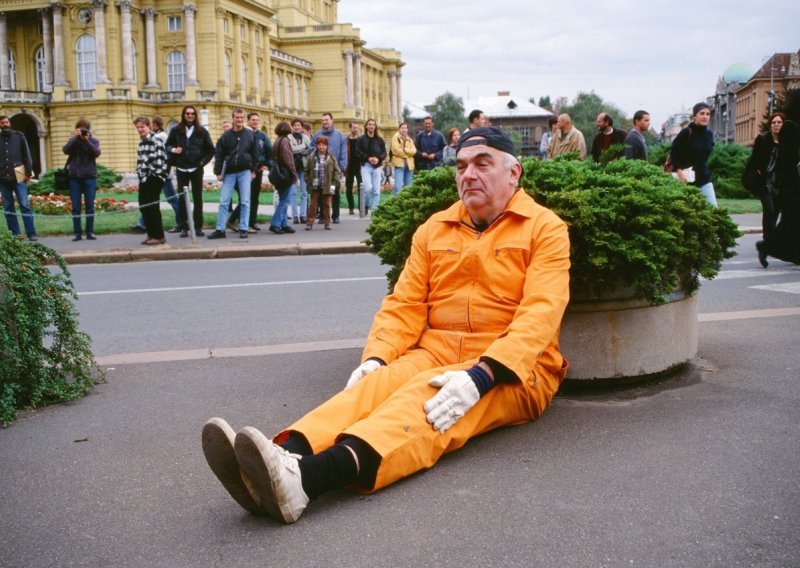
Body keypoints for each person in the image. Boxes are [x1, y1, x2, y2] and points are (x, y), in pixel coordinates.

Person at [201, 126, 571, 524]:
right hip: (436, 350)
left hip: (514, 370)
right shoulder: (435, 229)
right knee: (372, 387)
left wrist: (481, 376)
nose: (469, 175)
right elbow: (405, 305)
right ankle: (282, 455)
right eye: (462, 166)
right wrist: (376, 358)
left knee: (421, 401)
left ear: (514, 173)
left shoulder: (544, 228)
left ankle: (303, 482)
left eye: (483, 165)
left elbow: (540, 314)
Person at [756, 91, 800, 267]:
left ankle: (794, 254)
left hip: (793, 184)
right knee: (790, 222)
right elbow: (790, 159)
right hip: (792, 186)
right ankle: (765, 246)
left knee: (793, 223)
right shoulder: (790, 127)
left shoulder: (791, 126)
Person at [208, 109, 258, 240]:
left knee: (245, 201)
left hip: (244, 171)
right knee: (224, 201)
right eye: (237, 117)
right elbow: (219, 154)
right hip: (229, 172)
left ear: (244, 119)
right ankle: (220, 229)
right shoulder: (226, 136)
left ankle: (243, 228)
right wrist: (218, 171)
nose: (240, 120)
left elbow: (255, 154)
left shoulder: (250, 134)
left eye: (242, 117)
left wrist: (253, 170)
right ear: (233, 118)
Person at [166, 105, 215, 238]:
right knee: (182, 198)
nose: (190, 116)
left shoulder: (202, 131)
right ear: (183, 115)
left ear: (195, 116)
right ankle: (183, 226)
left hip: (196, 169)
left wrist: (202, 163)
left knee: (198, 198)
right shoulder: (176, 130)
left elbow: (211, 150)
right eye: (187, 113)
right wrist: (173, 150)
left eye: (192, 114)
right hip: (181, 168)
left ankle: (198, 226)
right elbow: (168, 145)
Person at [228, 112, 272, 233]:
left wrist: (267, 165)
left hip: (258, 169)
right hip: (246, 170)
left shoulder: (262, 135)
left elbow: (269, 150)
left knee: (254, 197)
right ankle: (234, 220)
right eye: (253, 120)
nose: (255, 122)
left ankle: (251, 222)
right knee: (246, 198)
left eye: (257, 120)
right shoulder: (244, 134)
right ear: (248, 121)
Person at [743, 112, 783, 241]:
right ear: (770, 125)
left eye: (779, 122)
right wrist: (757, 173)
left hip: (780, 184)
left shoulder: (787, 142)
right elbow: (754, 161)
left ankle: (769, 240)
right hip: (765, 183)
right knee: (769, 210)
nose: (776, 125)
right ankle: (767, 241)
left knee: (775, 213)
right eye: (773, 122)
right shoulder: (763, 140)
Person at [670, 102, 717, 207]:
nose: (705, 117)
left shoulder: (709, 135)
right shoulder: (686, 132)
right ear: (695, 116)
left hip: (704, 178)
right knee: (686, 213)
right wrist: (679, 171)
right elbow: (674, 153)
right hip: (685, 179)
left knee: (714, 210)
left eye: (708, 114)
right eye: (702, 113)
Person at [62, 118, 101, 241]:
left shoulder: (94, 141)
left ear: (88, 130)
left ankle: (90, 232)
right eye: (80, 129)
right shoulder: (73, 141)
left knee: (90, 206)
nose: (82, 132)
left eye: (84, 129)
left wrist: (87, 140)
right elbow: (65, 150)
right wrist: (75, 138)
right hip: (74, 178)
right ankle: (77, 233)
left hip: (89, 176)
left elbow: (96, 153)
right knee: (76, 207)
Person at [0, 114, 37, 241]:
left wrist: (28, 172)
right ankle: (15, 235)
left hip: (19, 175)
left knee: (25, 205)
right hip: (3, 178)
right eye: (2, 123)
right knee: (8, 207)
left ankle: (31, 233)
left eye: (6, 122)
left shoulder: (19, 136)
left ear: (9, 123)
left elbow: (27, 155)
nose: (5, 124)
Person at [133, 116, 169, 245]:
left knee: (153, 206)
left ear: (148, 127)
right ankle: (150, 233)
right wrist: (140, 173)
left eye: (142, 127)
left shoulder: (156, 140)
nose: (140, 129)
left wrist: (149, 174)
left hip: (154, 177)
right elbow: (139, 160)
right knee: (143, 205)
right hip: (144, 177)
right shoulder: (141, 142)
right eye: (138, 127)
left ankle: (159, 236)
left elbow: (159, 160)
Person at [312, 113, 347, 223]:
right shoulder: (317, 135)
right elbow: (311, 149)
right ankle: (323, 216)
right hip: (321, 170)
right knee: (323, 193)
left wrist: (341, 168)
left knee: (334, 192)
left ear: (332, 120)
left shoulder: (340, 135)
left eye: (327, 120)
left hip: (334, 172)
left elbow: (344, 153)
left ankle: (335, 216)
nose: (324, 122)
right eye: (323, 120)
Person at [303, 136, 341, 231]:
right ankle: (309, 222)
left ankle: (327, 222)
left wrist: (334, 182)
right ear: (316, 146)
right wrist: (308, 180)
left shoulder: (331, 157)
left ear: (327, 146)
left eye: (323, 145)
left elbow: (337, 171)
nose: (321, 147)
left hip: (328, 185)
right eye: (319, 145)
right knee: (313, 205)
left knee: (327, 205)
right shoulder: (312, 157)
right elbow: (306, 171)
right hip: (315, 185)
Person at [268, 121, 298, 235]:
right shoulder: (285, 141)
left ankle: (285, 224)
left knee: (283, 199)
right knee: (284, 201)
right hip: (285, 174)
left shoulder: (277, 141)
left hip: (278, 173)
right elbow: (288, 160)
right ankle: (275, 224)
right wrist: (293, 174)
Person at [356, 119, 387, 214]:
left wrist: (378, 159)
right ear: (366, 126)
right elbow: (357, 152)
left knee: (377, 191)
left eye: (373, 124)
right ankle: (365, 205)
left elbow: (384, 153)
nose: (371, 126)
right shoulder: (361, 139)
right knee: (368, 188)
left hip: (377, 167)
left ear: (375, 127)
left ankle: (374, 211)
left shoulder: (380, 140)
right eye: (369, 124)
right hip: (366, 166)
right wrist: (368, 158)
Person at [289, 118, 312, 224]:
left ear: (301, 126)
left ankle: (303, 215)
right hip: (293, 167)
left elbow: (310, 150)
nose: (297, 127)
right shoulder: (289, 137)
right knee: (293, 193)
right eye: (295, 125)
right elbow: (291, 150)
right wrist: (303, 147)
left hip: (304, 167)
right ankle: (294, 215)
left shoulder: (306, 137)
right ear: (292, 126)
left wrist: (297, 149)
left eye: (299, 125)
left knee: (304, 193)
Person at [390, 122, 416, 196]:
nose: (404, 129)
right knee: (398, 186)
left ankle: (406, 204)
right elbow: (396, 151)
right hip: (399, 165)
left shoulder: (410, 139)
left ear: (407, 129)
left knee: (408, 187)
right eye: (402, 128)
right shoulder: (395, 138)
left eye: (405, 128)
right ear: (399, 129)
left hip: (409, 165)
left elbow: (414, 151)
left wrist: (405, 150)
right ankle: (395, 203)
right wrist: (408, 154)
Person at [343, 122, 362, 215]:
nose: (355, 129)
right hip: (349, 166)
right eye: (354, 127)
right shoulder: (346, 140)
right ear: (350, 128)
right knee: (349, 188)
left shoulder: (361, 139)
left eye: (357, 128)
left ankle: (360, 207)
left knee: (360, 188)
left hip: (359, 166)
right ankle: (351, 207)